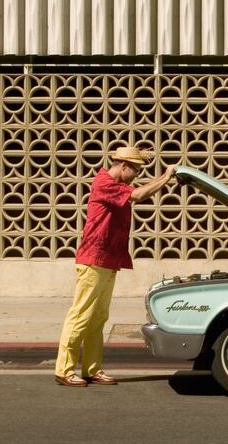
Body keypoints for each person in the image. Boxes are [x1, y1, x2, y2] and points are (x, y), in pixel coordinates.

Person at [54, 146, 176, 387]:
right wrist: (166, 176)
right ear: (124, 166)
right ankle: (64, 370)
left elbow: (136, 191)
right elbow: (138, 195)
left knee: (98, 317)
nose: (137, 175)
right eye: (136, 170)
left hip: (108, 259)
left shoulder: (117, 185)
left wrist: (165, 176)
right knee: (80, 315)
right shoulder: (104, 183)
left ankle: (91, 368)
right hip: (94, 259)